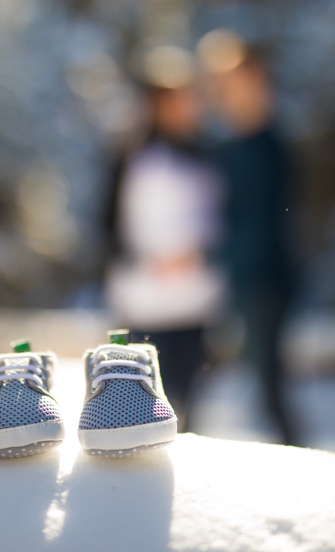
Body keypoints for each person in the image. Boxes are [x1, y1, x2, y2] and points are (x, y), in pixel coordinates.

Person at [105, 51, 225, 432]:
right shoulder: (130, 157)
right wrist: (145, 259)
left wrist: (198, 254)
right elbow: (110, 225)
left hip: (196, 299)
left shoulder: (208, 156)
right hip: (143, 299)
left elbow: (222, 220)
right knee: (142, 399)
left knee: (189, 402)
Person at [201, 32, 299, 445]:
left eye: (241, 79)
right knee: (200, 376)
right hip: (232, 280)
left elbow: (262, 222)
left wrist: (216, 259)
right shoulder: (225, 146)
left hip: (263, 281)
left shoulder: (269, 145)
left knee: (268, 385)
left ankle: (303, 465)